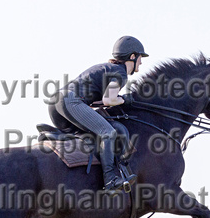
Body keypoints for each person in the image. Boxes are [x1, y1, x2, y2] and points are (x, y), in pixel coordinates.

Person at [48, 36, 148, 192]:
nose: (141, 62)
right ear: (133, 56)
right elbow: (109, 100)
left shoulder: (107, 68)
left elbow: (99, 101)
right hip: (70, 101)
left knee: (92, 133)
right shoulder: (120, 73)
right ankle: (110, 179)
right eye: (141, 57)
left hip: (57, 105)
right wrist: (124, 100)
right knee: (108, 132)